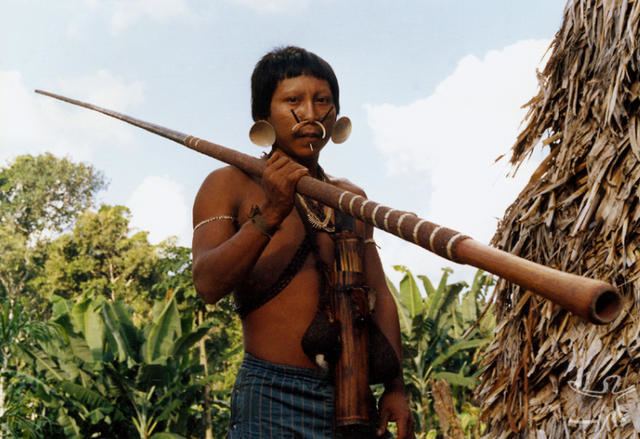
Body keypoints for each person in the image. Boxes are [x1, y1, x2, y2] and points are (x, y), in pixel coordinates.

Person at [192, 46, 413, 438]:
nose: (310, 114)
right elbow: (208, 285)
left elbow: (378, 293)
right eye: (293, 100)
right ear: (263, 116)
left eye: (322, 100)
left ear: (337, 116)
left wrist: (395, 387)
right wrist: (272, 213)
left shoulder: (349, 198)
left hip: (352, 397)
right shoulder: (229, 185)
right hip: (272, 397)